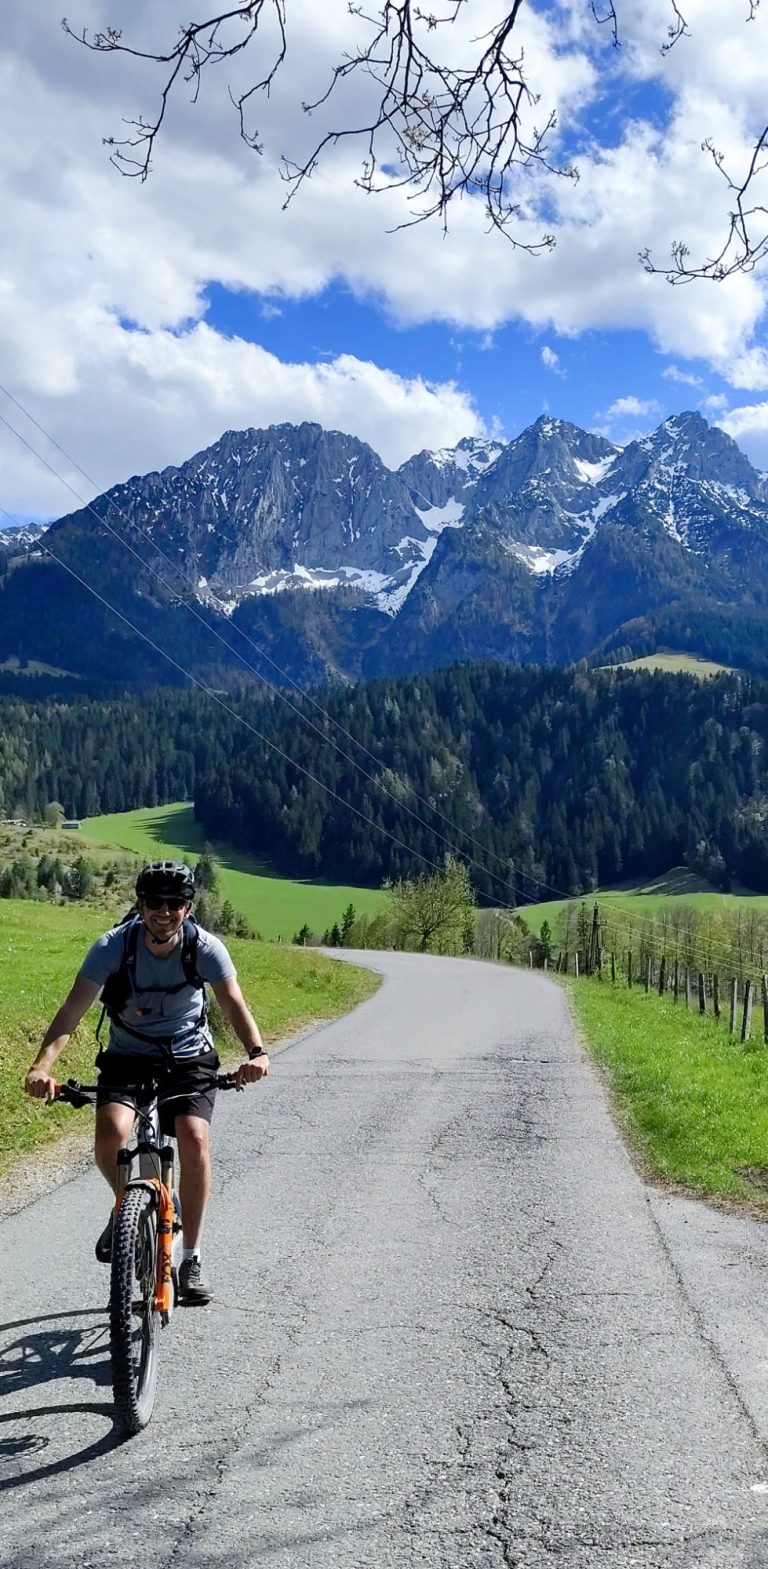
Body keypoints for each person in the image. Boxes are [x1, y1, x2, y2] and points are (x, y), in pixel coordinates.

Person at [24, 859, 268, 1304]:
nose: (164, 911)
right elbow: (71, 1011)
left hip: (188, 1056)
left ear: (188, 909)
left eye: (175, 903)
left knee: (193, 1139)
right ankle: (125, 1208)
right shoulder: (112, 947)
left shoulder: (205, 948)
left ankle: (190, 1257)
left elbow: (233, 1003)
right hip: (127, 1055)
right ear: (140, 905)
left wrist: (256, 1052)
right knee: (110, 1135)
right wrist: (42, 1066)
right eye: (154, 902)